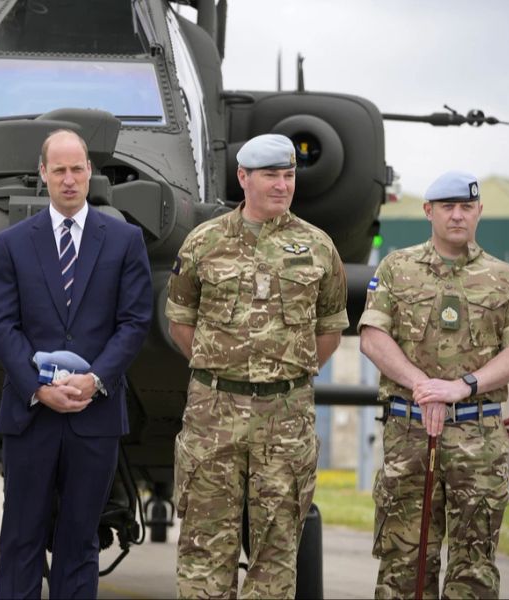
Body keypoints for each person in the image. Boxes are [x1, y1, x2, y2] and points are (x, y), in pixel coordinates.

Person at [166, 133, 348, 598]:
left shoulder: (318, 247)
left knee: (278, 548)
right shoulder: (204, 243)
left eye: (288, 176)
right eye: (271, 175)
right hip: (214, 416)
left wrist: (280, 374)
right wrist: (224, 373)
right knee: (205, 547)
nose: (282, 185)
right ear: (243, 177)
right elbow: (181, 324)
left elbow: (329, 330)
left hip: (285, 418)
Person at [0, 129, 152, 599]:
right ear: (43, 174)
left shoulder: (124, 240)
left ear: (90, 172)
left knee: (80, 539)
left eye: (77, 168)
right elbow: (2, 325)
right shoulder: (12, 243)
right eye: (58, 170)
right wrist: (38, 386)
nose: (69, 178)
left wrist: (94, 380)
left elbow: (134, 321)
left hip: (93, 414)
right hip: (31, 413)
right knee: (21, 536)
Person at [358, 170, 509, 599]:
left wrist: (462, 387)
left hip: (478, 437)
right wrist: (423, 385)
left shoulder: (506, 279)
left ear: (478, 212)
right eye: (447, 207)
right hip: (411, 432)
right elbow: (372, 337)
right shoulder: (396, 269)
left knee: (474, 565)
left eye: (466, 207)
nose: (457, 216)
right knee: (404, 561)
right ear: (428, 211)